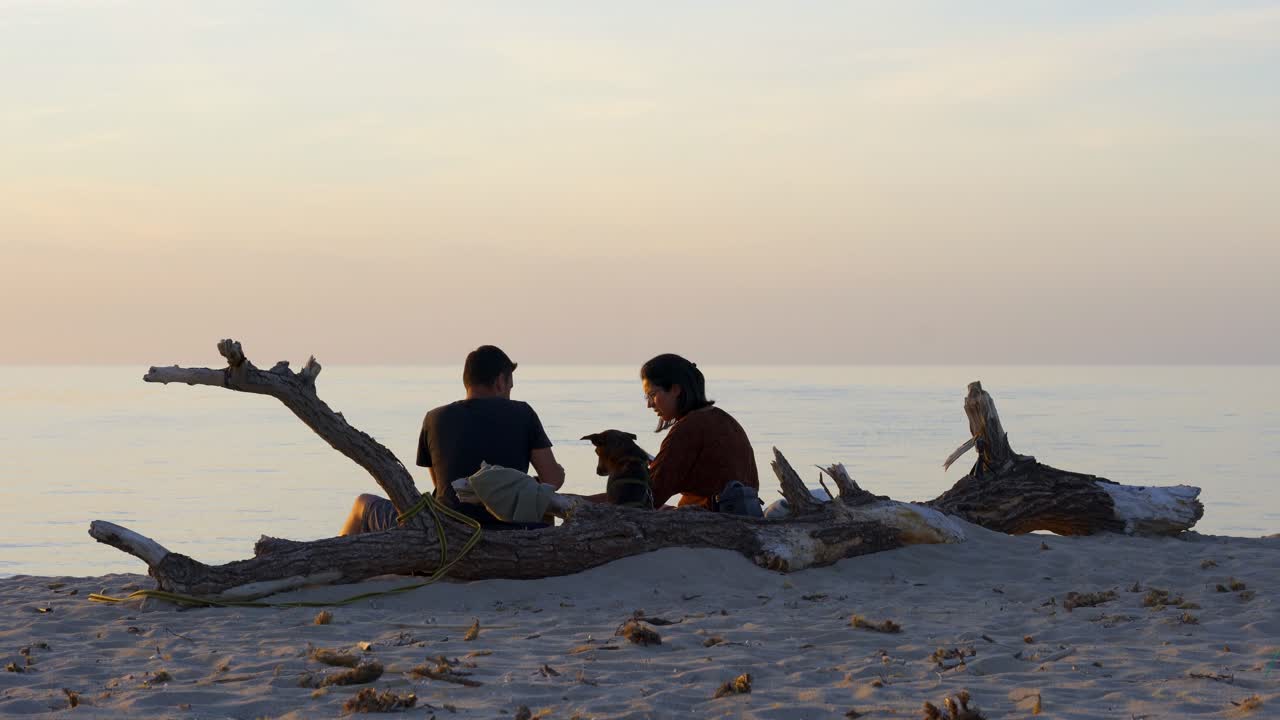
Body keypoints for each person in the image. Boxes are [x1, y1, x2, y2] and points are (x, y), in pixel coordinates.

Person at [339, 345, 564, 534]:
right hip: (510, 531)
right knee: (541, 501)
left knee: (363, 503)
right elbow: (551, 480)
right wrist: (556, 472)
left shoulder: (434, 418)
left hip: (446, 532)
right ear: (499, 381)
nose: (509, 393)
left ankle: (337, 565)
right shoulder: (523, 413)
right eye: (510, 386)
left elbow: (441, 485)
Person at [641, 353, 760, 511]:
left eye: (653, 395)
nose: (649, 404)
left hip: (711, 523)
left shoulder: (688, 429)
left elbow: (648, 496)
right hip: (744, 514)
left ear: (676, 389)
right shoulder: (726, 421)